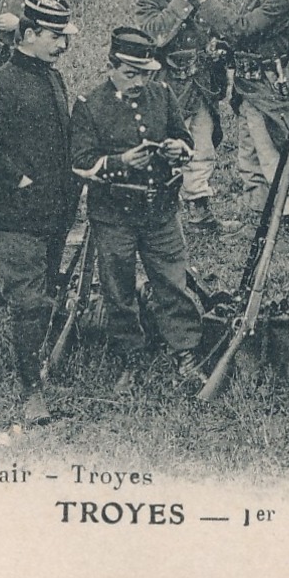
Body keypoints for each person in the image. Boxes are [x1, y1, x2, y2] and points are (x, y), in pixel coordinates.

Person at [0, 0, 79, 426]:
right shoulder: (1, 85)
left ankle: (38, 366)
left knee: (45, 293)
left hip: (54, 213)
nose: (62, 44)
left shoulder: (52, 77)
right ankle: (32, 393)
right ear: (29, 35)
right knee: (29, 302)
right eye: (55, 36)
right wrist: (20, 179)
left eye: (64, 36)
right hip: (18, 216)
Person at [69, 27, 206, 391]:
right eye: (131, 73)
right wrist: (120, 162)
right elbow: (80, 162)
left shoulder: (161, 95)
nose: (140, 82)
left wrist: (180, 149)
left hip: (160, 209)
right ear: (110, 66)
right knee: (119, 288)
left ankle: (185, 351)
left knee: (173, 281)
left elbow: (184, 136)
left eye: (145, 73)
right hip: (114, 215)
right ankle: (130, 355)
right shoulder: (89, 105)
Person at [191, 0, 289, 229]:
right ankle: (262, 217)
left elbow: (241, 29)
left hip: (270, 88)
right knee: (251, 157)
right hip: (250, 87)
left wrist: (205, 2)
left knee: (275, 152)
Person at [135, 0, 230, 231]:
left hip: (200, 82)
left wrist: (215, 46)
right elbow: (153, 36)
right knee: (166, 146)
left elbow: (212, 26)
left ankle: (200, 211)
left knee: (202, 146)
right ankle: (157, 211)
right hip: (167, 84)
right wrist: (179, 0)